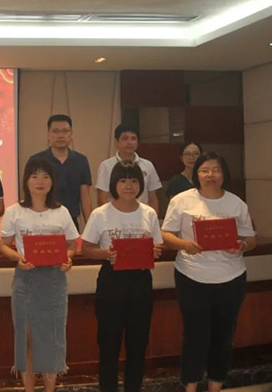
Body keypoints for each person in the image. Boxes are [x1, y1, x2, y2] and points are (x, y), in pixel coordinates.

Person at [161, 152, 256, 392]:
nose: (210, 175)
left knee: (224, 337)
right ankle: (190, 386)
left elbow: (251, 238)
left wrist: (241, 245)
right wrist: (184, 244)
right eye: (204, 170)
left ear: (224, 174)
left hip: (231, 277)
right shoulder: (182, 200)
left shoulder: (236, 203)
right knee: (194, 336)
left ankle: (216, 386)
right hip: (192, 276)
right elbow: (165, 234)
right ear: (197, 174)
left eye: (216, 170)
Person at [82, 160, 163, 392]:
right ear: (114, 184)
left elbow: (157, 245)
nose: (129, 186)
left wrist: (155, 251)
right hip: (111, 282)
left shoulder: (149, 213)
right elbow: (86, 248)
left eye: (134, 180)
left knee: (138, 343)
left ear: (141, 184)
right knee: (109, 344)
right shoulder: (100, 214)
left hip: (140, 282)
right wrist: (106, 253)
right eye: (123, 180)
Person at [0, 157, 78, 392]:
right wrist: (18, 258)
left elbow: (72, 244)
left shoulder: (61, 212)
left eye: (45, 176)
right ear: (26, 181)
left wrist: (68, 258)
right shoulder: (15, 211)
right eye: (34, 176)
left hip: (54, 280)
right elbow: (4, 245)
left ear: (52, 181)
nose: (40, 181)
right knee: (27, 338)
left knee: (51, 338)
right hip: (26, 279)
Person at [29, 114, 93, 229]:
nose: (60, 135)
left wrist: (91, 228)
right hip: (41, 221)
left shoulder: (81, 160)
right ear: (48, 135)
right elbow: (29, 192)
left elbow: (85, 195)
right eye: (55, 131)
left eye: (65, 131)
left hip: (71, 221)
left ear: (71, 134)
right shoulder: (36, 160)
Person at [96, 124, 161, 213]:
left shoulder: (148, 165)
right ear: (117, 142)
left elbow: (153, 198)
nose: (129, 142)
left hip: (142, 215)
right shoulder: (106, 166)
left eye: (133, 138)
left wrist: (153, 218)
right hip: (115, 216)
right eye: (125, 138)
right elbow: (102, 199)